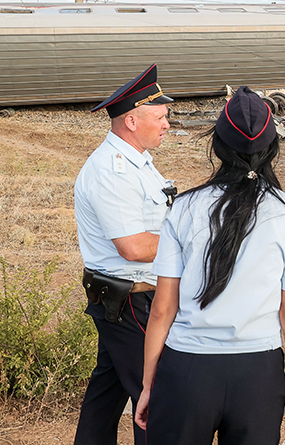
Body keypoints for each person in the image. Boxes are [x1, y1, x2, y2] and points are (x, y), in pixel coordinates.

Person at [134, 86, 285, 445]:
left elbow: (162, 309)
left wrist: (147, 384)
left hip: (187, 369)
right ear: (272, 147)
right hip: (258, 374)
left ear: (217, 146)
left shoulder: (184, 209)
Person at [73, 64, 174, 445]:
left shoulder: (136, 162)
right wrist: (192, 243)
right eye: (161, 116)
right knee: (155, 392)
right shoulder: (112, 171)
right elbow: (132, 248)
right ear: (132, 120)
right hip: (132, 299)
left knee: (108, 389)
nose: (167, 124)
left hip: (129, 296)